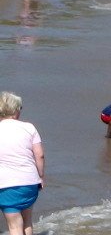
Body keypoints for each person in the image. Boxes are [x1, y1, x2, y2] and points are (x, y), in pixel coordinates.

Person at [0, 91, 45, 235]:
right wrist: (41, 177)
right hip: (29, 182)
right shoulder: (29, 127)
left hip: (5, 185)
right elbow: (40, 155)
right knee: (27, 221)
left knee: (14, 226)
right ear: (15, 110)